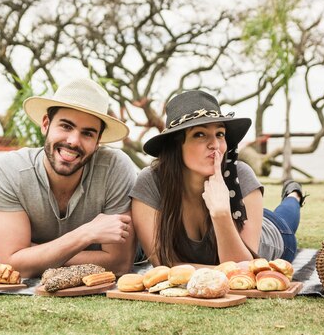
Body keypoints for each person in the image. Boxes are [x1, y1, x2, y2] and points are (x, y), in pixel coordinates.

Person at [130, 90, 307, 266]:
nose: (215, 145)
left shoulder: (241, 176)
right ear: (175, 146)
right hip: (247, 219)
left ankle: (294, 195)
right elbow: (162, 264)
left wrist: (221, 214)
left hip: (273, 237)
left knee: (286, 217)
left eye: (220, 134)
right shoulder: (151, 182)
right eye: (200, 134)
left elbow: (240, 270)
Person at [0, 78, 137, 278]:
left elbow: (119, 264)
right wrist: (86, 234)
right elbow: (13, 265)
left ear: (98, 141)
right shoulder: (7, 172)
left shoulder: (115, 168)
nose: (73, 141)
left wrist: (35, 253)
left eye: (88, 134)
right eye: (66, 126)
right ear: (46, 124)